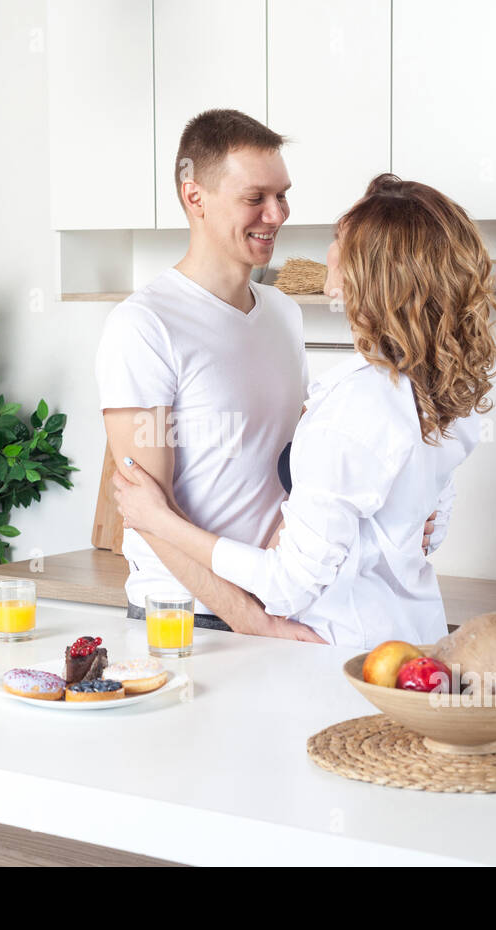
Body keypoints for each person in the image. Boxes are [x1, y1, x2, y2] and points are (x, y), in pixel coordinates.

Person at [112, 175, 496, 647]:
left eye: (340, 240)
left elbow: (285, 584)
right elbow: (428, 527)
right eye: (256, 198)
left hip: (343, 656)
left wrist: (159, 520)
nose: (329, 251)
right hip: (413, 638)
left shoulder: (355, 404)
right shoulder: (440, 385)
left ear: (369, 275)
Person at [95, 108, 322, 641]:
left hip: (281, 602)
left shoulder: (284, 313)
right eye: (255, 198)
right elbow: (148, 511)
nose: (277, 214)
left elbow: (294, 465)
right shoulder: (145, 325)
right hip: (189, 620)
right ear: (194, 197)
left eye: (282, 195)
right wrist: (249, 620)